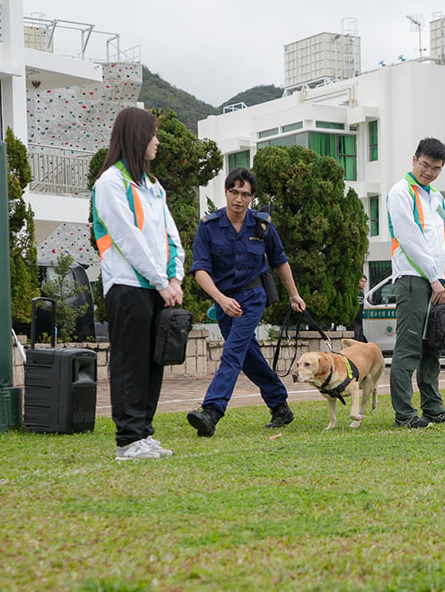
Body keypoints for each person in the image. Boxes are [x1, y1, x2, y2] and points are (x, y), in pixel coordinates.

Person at [92, 107, 185, 461]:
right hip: (128, 287)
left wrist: (174, 278)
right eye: (153, 134)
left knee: (153, 362)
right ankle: (127, 440)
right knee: (129, 362)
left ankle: (144, 433)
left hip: (159, 287)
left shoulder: (153, 187)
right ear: (136, 137)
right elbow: (127, 238)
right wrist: (161, 281)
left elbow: (170, 235)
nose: (157, 141)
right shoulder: (110, 183)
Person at [186, 167, 306, 437]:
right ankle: (279, 405)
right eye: (234, 192)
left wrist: (294, 294)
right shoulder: (208, 226)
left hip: (252, 298)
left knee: (232, 352)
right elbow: (200, 270)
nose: (238, 199)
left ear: (252, 197)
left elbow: (279, 260)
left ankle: (212, 411)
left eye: (245, 194)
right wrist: (220, 298)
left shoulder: (262, 225)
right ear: (226, 191)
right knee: (247, 355)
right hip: (224, 300)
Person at [386, 137, 445, 428]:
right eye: (425, 165)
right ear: (414, 160)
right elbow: (410, 239)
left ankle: (433, 408)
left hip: (440, 283)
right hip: (413, 280)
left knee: (434, 345)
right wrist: (434, 280)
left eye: (436, 168)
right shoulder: (400, 192)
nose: (429, 172)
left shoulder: (436, 197)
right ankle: (405, 415)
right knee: (409, 347)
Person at [353, 275, 368, 342]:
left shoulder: (361, 294)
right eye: (361, 281)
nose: (363, 283)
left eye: (365, 282)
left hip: (360, 321)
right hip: (353, 321)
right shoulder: (353, 292)